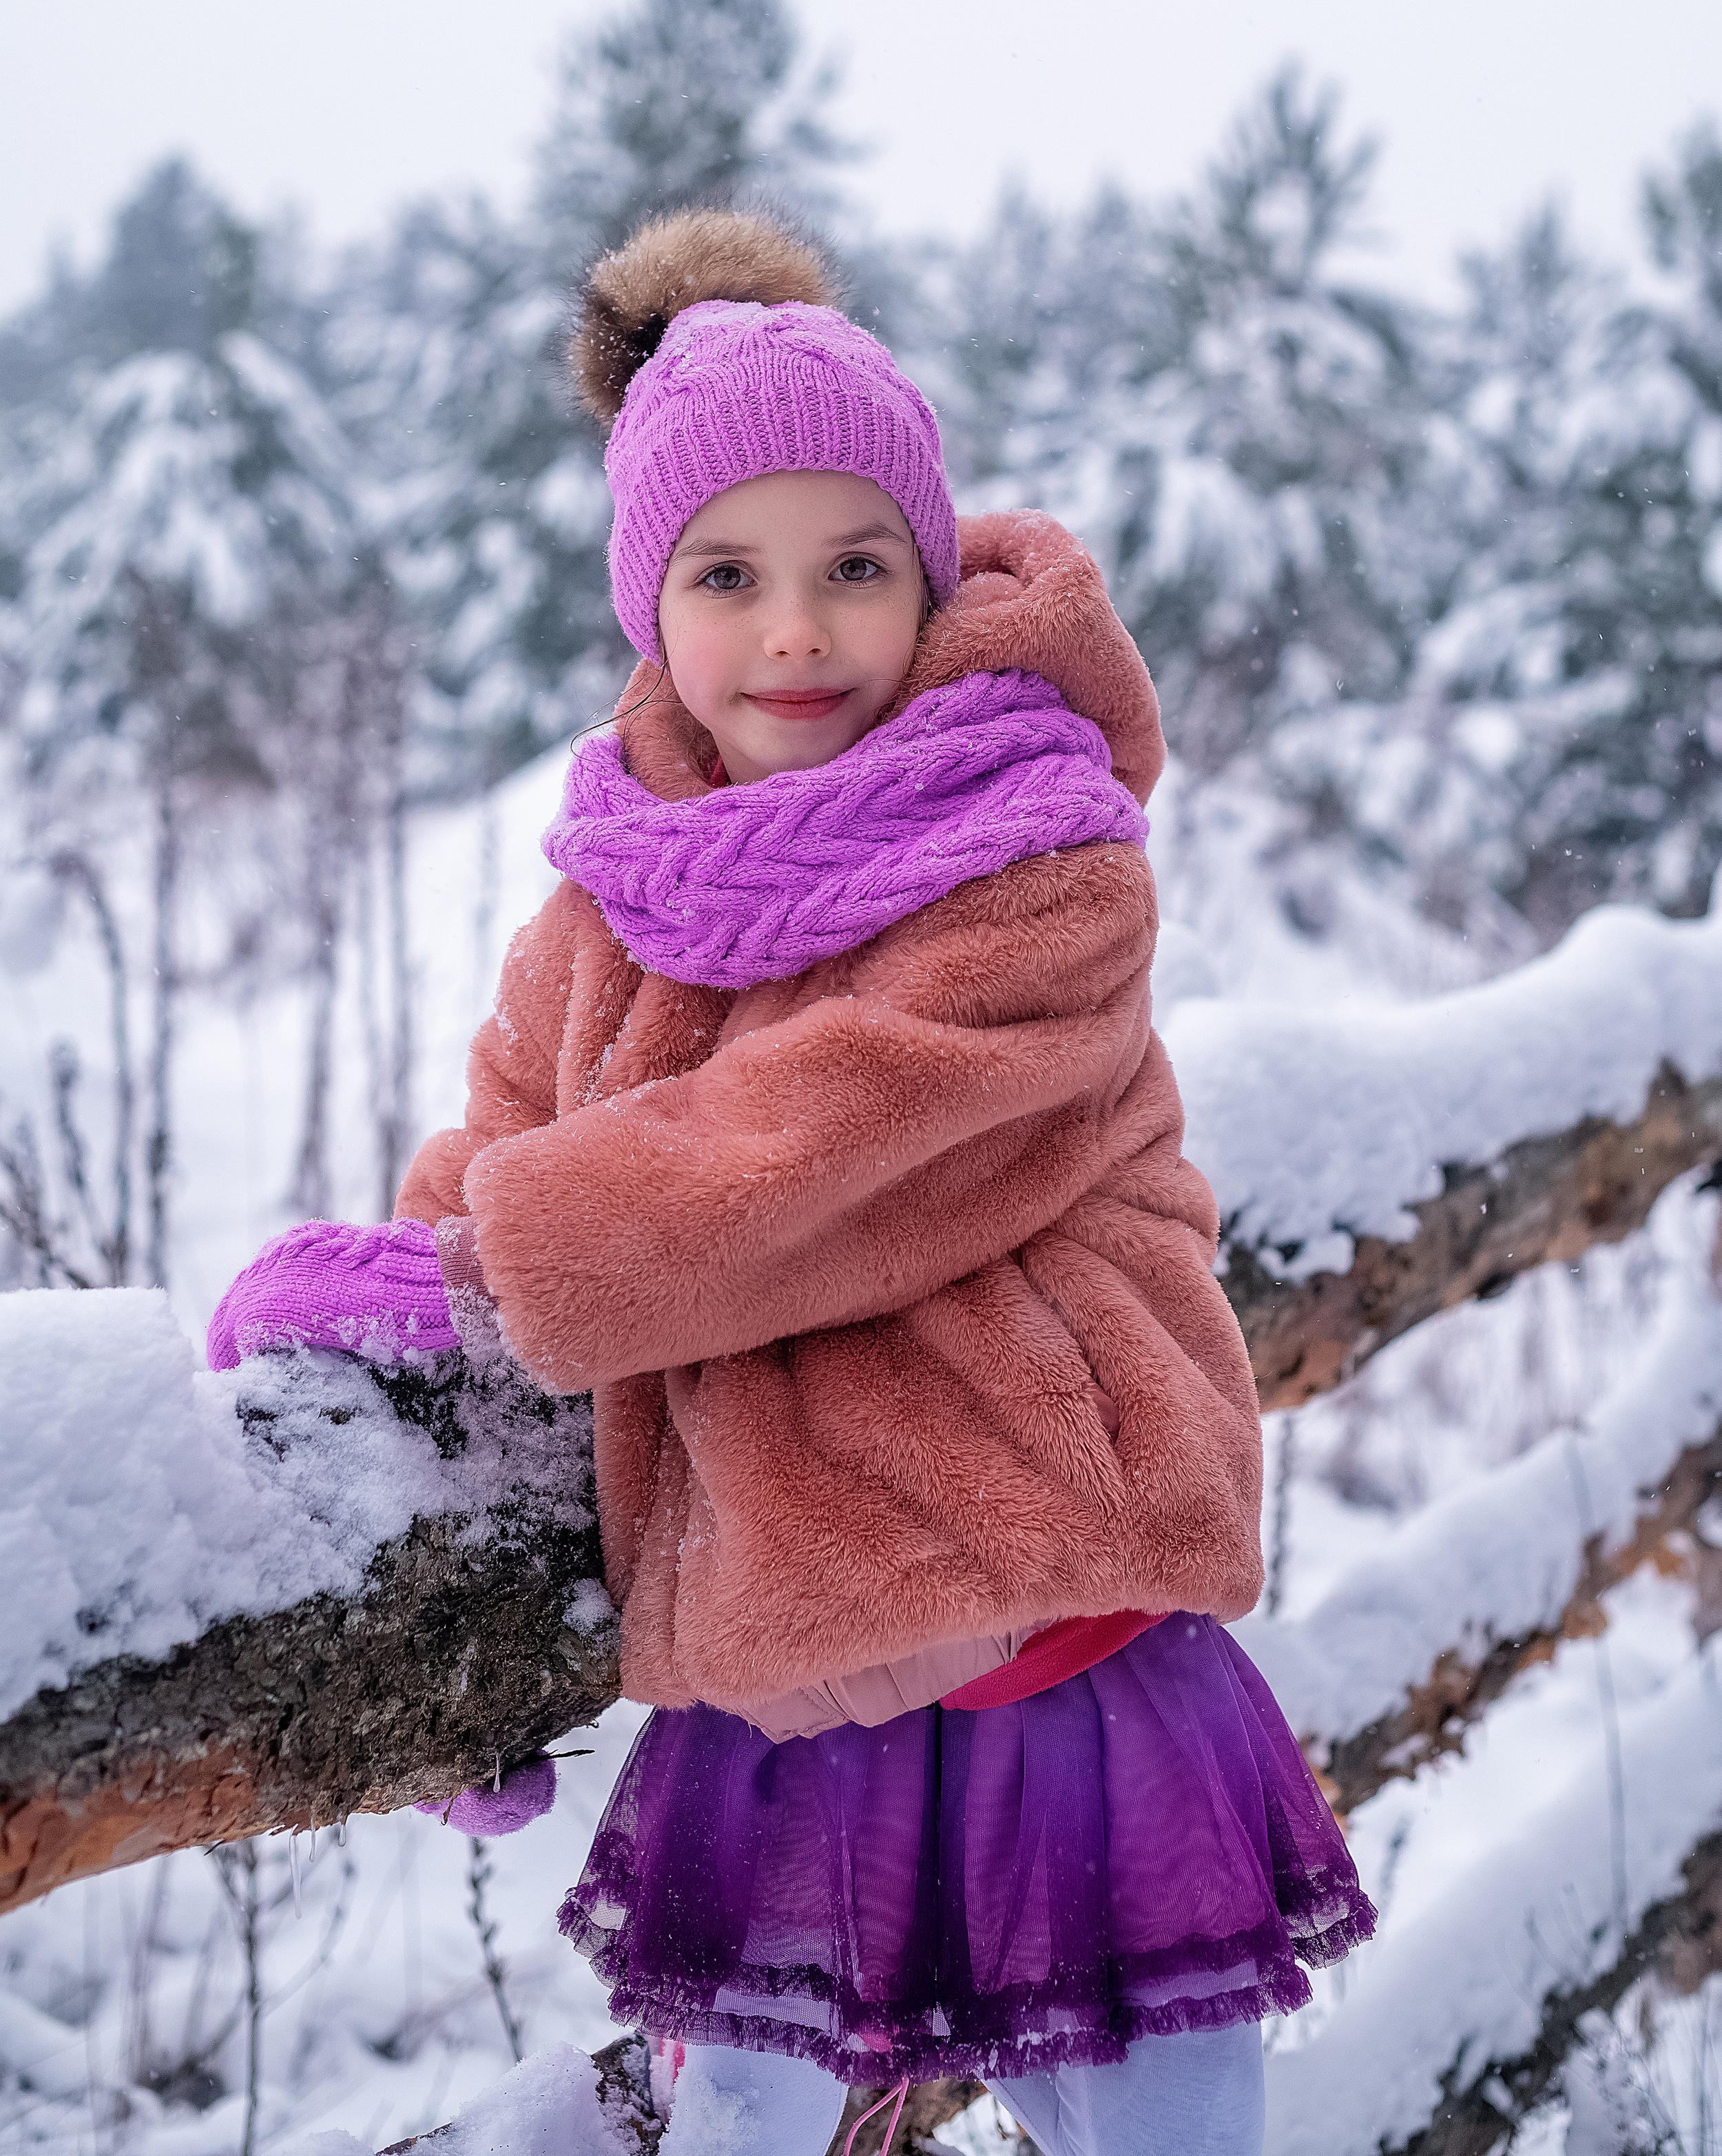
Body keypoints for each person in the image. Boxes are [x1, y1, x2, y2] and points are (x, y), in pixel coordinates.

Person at [209, 210, 1373, 2156]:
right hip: (785, 1671)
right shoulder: (612, 898)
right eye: (727, 575)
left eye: (856, 568)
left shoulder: (1038, 851)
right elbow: (507, 1139)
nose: (798, 631)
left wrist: (510, 1260)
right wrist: (420, 1399)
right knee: (748, 2120)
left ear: (930, 577)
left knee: (1159, 2127)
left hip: (1058, 1652)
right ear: (645, 611)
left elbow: (823, 1154)